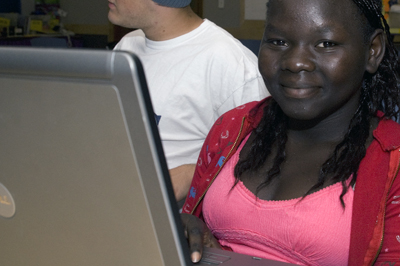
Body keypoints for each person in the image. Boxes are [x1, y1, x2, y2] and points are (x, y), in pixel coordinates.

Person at [181, 0, 400, 265]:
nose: (295, 63)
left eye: (325, 44)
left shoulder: (392, 160)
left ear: (372, 51)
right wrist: (190, 231)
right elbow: (193, 223)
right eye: (278, 42)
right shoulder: (233, 128)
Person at [108, 0, 269, 202]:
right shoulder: (127, 45)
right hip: (115, 200)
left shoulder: (229, 63)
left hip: (175, 221)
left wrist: (192, 174)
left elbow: (262, 159)